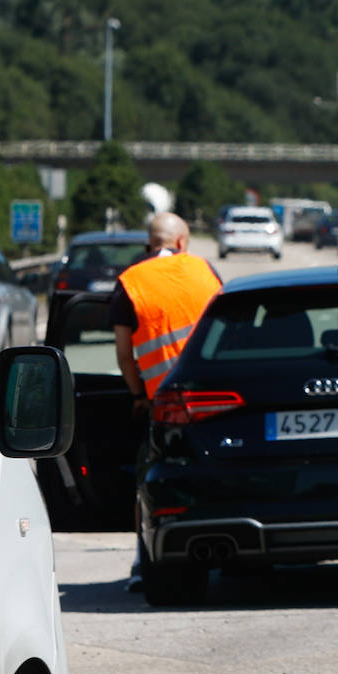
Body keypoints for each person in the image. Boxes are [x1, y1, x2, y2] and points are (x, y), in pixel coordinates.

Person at [108, 211, 222, 590]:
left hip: (165, 404)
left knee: (151, 480)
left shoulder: (130, 282)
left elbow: (125, 353)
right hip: (215, 398)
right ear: (182, 243)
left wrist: (138, 395)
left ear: (149, 244)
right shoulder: (205, 271)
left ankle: (147, 562)